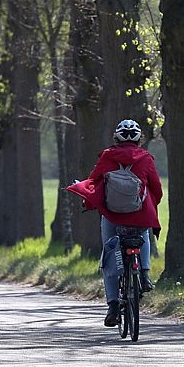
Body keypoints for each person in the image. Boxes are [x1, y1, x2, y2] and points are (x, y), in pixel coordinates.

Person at [66, 119, 163, 327]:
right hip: (139, 214)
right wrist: (151, 205)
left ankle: (112, 307)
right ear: (139, 139)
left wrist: (88, 200)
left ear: (116, 138)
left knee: (110, 253)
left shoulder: (107, 156)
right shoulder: (146, 159)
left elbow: (93, 181)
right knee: (143, 235)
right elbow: (157, 188)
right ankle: (144, 274)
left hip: (111, 215)